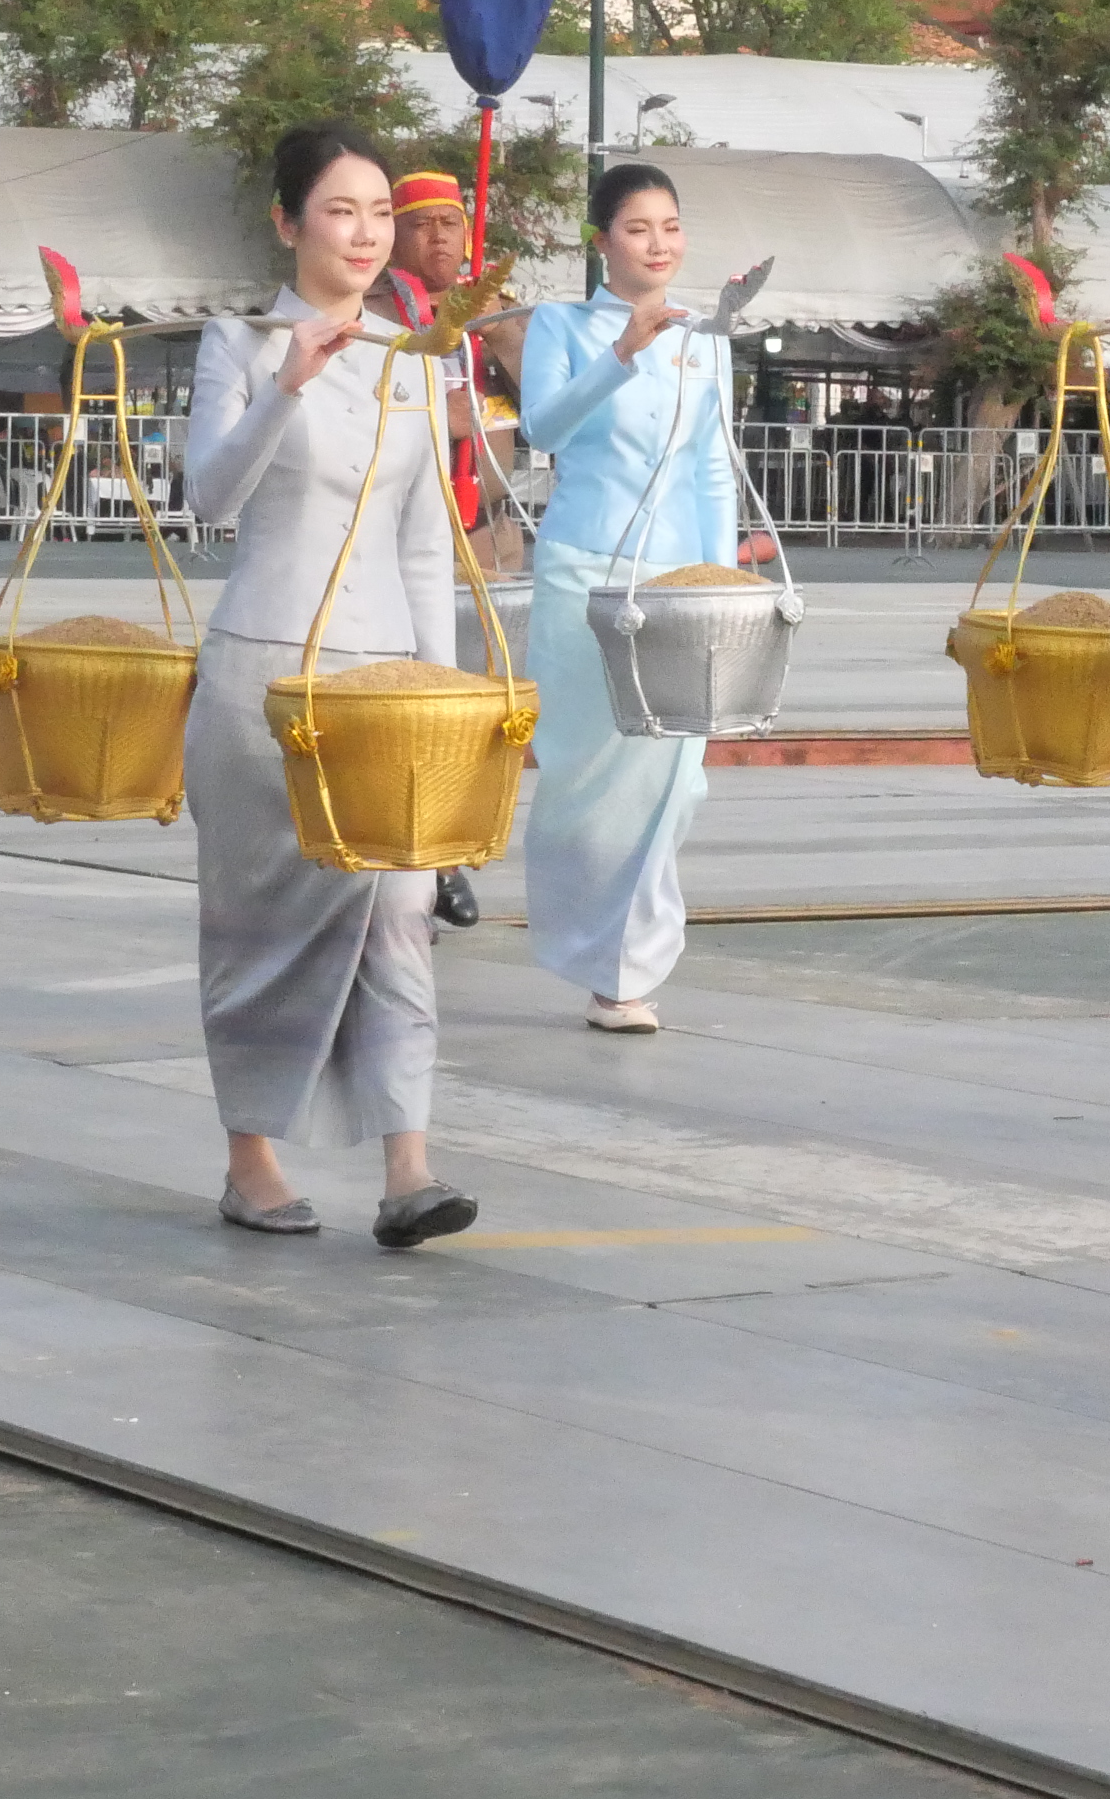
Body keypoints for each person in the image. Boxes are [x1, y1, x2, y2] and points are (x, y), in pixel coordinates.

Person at [182, 123, 478, 1248]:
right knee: (255, 925)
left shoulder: (414, 354)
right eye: (340, 210)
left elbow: (422, 547)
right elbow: (209, 496)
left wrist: (444, 706)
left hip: (381, 691)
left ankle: (410, 1163)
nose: (364, 232)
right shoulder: (239, 341)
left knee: (399, 914)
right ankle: (249, 1156)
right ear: (288, 222)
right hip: (263, 676)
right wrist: (287, 387)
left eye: (377, 213)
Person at [518, 163, 772, 1037]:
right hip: (584, 575)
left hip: (677, 594)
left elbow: (710, 467)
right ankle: (590, 952)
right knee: (587, 779)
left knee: (675, 779)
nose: (658, 244)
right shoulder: (562, 324)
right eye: (637, 228)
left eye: (670, 226)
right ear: (600, 242)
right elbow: (544, 430)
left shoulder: (708, 341)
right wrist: (623, 354)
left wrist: (720, 590)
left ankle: (625, 969)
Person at [378, 168, 520, 933]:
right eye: (422, 224)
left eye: (452, 224)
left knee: (471, 707)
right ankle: (430, 857)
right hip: (398, 541)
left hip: (478, 530)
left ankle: (443, 849)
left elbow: (536, 410)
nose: (440, 238)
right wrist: (445, 418)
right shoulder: (382, 311)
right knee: (416, 700)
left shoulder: (482, 310)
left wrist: (501, 332)